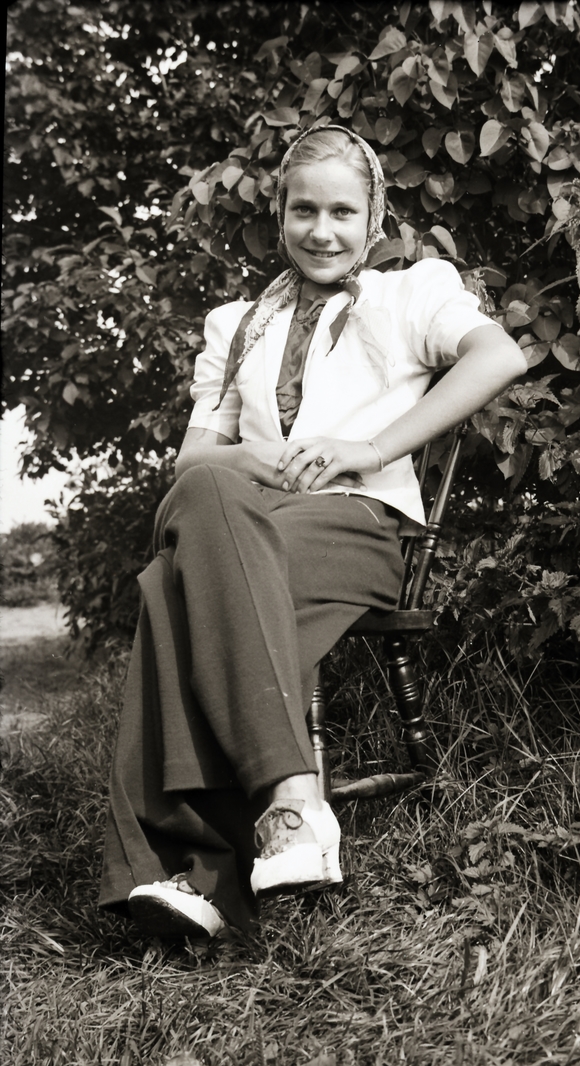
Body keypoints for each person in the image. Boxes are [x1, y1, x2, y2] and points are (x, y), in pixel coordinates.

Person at [98, 125, 526, 939]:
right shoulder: (238, 324)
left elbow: (498, 357)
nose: (321, 231)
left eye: (341, 212)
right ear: (281, 214)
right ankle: (291, 810)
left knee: (170, 588)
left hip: (355, 525)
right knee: (207, 494)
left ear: (374, 216)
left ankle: (197, 867)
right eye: (304, 210)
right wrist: (259, 459)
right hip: (248, 524)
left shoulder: (412, 292)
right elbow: (194, 460)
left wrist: (370, 449)